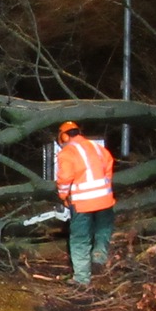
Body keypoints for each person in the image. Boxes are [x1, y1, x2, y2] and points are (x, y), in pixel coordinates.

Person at [55, 121, 115, 287]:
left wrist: (63, 196)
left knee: (80, 239)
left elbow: (65, 178)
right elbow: (108, 171)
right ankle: (99, 258)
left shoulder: (67, 152)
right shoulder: (98, 148)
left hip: (82, 203)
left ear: (64, 136)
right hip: (105, 200)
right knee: (103, 229)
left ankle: (82, 279)